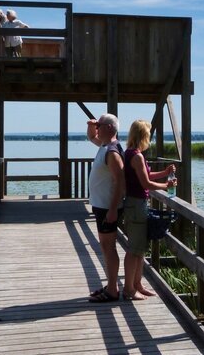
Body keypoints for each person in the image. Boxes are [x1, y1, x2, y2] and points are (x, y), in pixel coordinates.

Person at [122, 119, 176, 300]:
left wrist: (165, 173)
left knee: (140, 248)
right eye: (148, 135)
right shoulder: (136, 156)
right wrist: (166, 186)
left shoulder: (131, 154)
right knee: (134, 249)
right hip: (136, 204)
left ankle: (137, 284)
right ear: (143, 136)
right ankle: (129, 290)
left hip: (136, 204)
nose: (149, 139)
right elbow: (145, 182)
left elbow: (145, 175)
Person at [87, 114, 125, 303]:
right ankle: (111, 284)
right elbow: (91, 137)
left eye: (99, 126)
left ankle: (112, 290)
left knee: (108, 247)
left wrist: (112, 209)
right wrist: (91, 124)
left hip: (107, 207)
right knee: (105, 246)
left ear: (109, 128)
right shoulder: (104, 146)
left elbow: (120, 182)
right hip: (101, 205)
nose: (97, 129)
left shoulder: (112, 151)